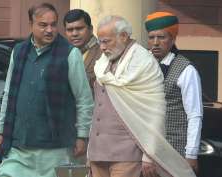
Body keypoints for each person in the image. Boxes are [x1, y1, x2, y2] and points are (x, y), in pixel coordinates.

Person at [0, 3, 94, 177]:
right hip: (18, 146)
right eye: (43, 25)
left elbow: (84, 99)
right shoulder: (19, 52)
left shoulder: (69, 54)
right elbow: (9, 94)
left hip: (57, 149)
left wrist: (82, 136)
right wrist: (0, 131)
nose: (49, 30)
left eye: (53, 24)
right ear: (31, 24)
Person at [87, 15, 196, 177]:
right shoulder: (102, 63)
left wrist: (149, 154)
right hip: (98, 152)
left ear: (123, 36)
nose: (102, 47)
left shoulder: (144, 63)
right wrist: (90, 153)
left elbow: (155, 112)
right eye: (100, 41)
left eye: (106, 41)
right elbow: (98, 111)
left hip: (127, 154)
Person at [145, 11, 203, 174]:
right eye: (151, 37)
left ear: (173, 39)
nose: (155, 43)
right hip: (145, 148)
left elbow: (194, 115)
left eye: (161, 37)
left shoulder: (186, 69)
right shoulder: (142, 65)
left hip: (175, 148)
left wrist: (191, 153)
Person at [63, 9, 102, 91]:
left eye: (79, 28)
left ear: (90, 29)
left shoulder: (103, 53)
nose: (74, 34)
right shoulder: (62, 54)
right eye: (70, 30)